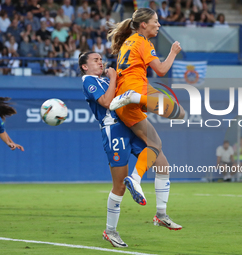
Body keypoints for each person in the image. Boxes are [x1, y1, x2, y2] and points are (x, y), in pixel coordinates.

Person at [79, 52, 182, 247]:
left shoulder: (104, 79)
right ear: (84, 66)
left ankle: (161, 214)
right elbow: (107, 103)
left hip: (130, 124)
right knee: (119, 185)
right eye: (95, 60)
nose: (100, 62)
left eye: (101, 59)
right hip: (114, 131)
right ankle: (110, 231)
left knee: (162, 164)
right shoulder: (88, 81)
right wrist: (114, 79)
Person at [107, 8, 185, 208]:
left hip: (124, 99)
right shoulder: (142, 42)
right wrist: (173, 52)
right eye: (155, 21)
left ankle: (136, 179)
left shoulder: (128, 42)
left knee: (155, 143)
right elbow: (161, 70)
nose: (158, 25)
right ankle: (135, 98)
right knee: (180, 113)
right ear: (144, 24)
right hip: (135, 91)